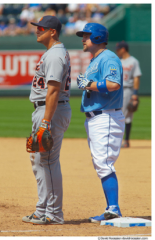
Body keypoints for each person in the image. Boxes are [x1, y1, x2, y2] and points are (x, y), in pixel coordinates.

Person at [22, 15, 71, 225]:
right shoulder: (52, 53)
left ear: (53, 32)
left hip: (51, 110)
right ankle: (42, 209)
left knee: (48, 162)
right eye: (36, 27)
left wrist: (45, 122)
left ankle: (54, 213)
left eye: (41, 27)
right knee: (39, 161)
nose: (37, 30)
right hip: (46, 109)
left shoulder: (55, 55)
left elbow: (53, 91)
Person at [76, 23, 125, 223]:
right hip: (96, 117)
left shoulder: (108, 57)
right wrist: (89, 85)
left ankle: (114, 207)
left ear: (97, 37)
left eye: (86, 35)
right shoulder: (95, 60)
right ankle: (110, 208)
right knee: (101, 163)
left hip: (106, 116)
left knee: (104, 163)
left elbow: (114, 84)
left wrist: (89, 84)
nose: (83, 39)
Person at [116, 41, 142, 148]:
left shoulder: (133, 61)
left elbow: (136, 77)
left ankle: (124, 140)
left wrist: (135, 94)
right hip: (118, 90)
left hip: (128, 90)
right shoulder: (118, 61)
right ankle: (123, 140)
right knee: (121, 115)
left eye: (118, 49)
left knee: (125, 115)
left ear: (123, 49)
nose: (116, 52)